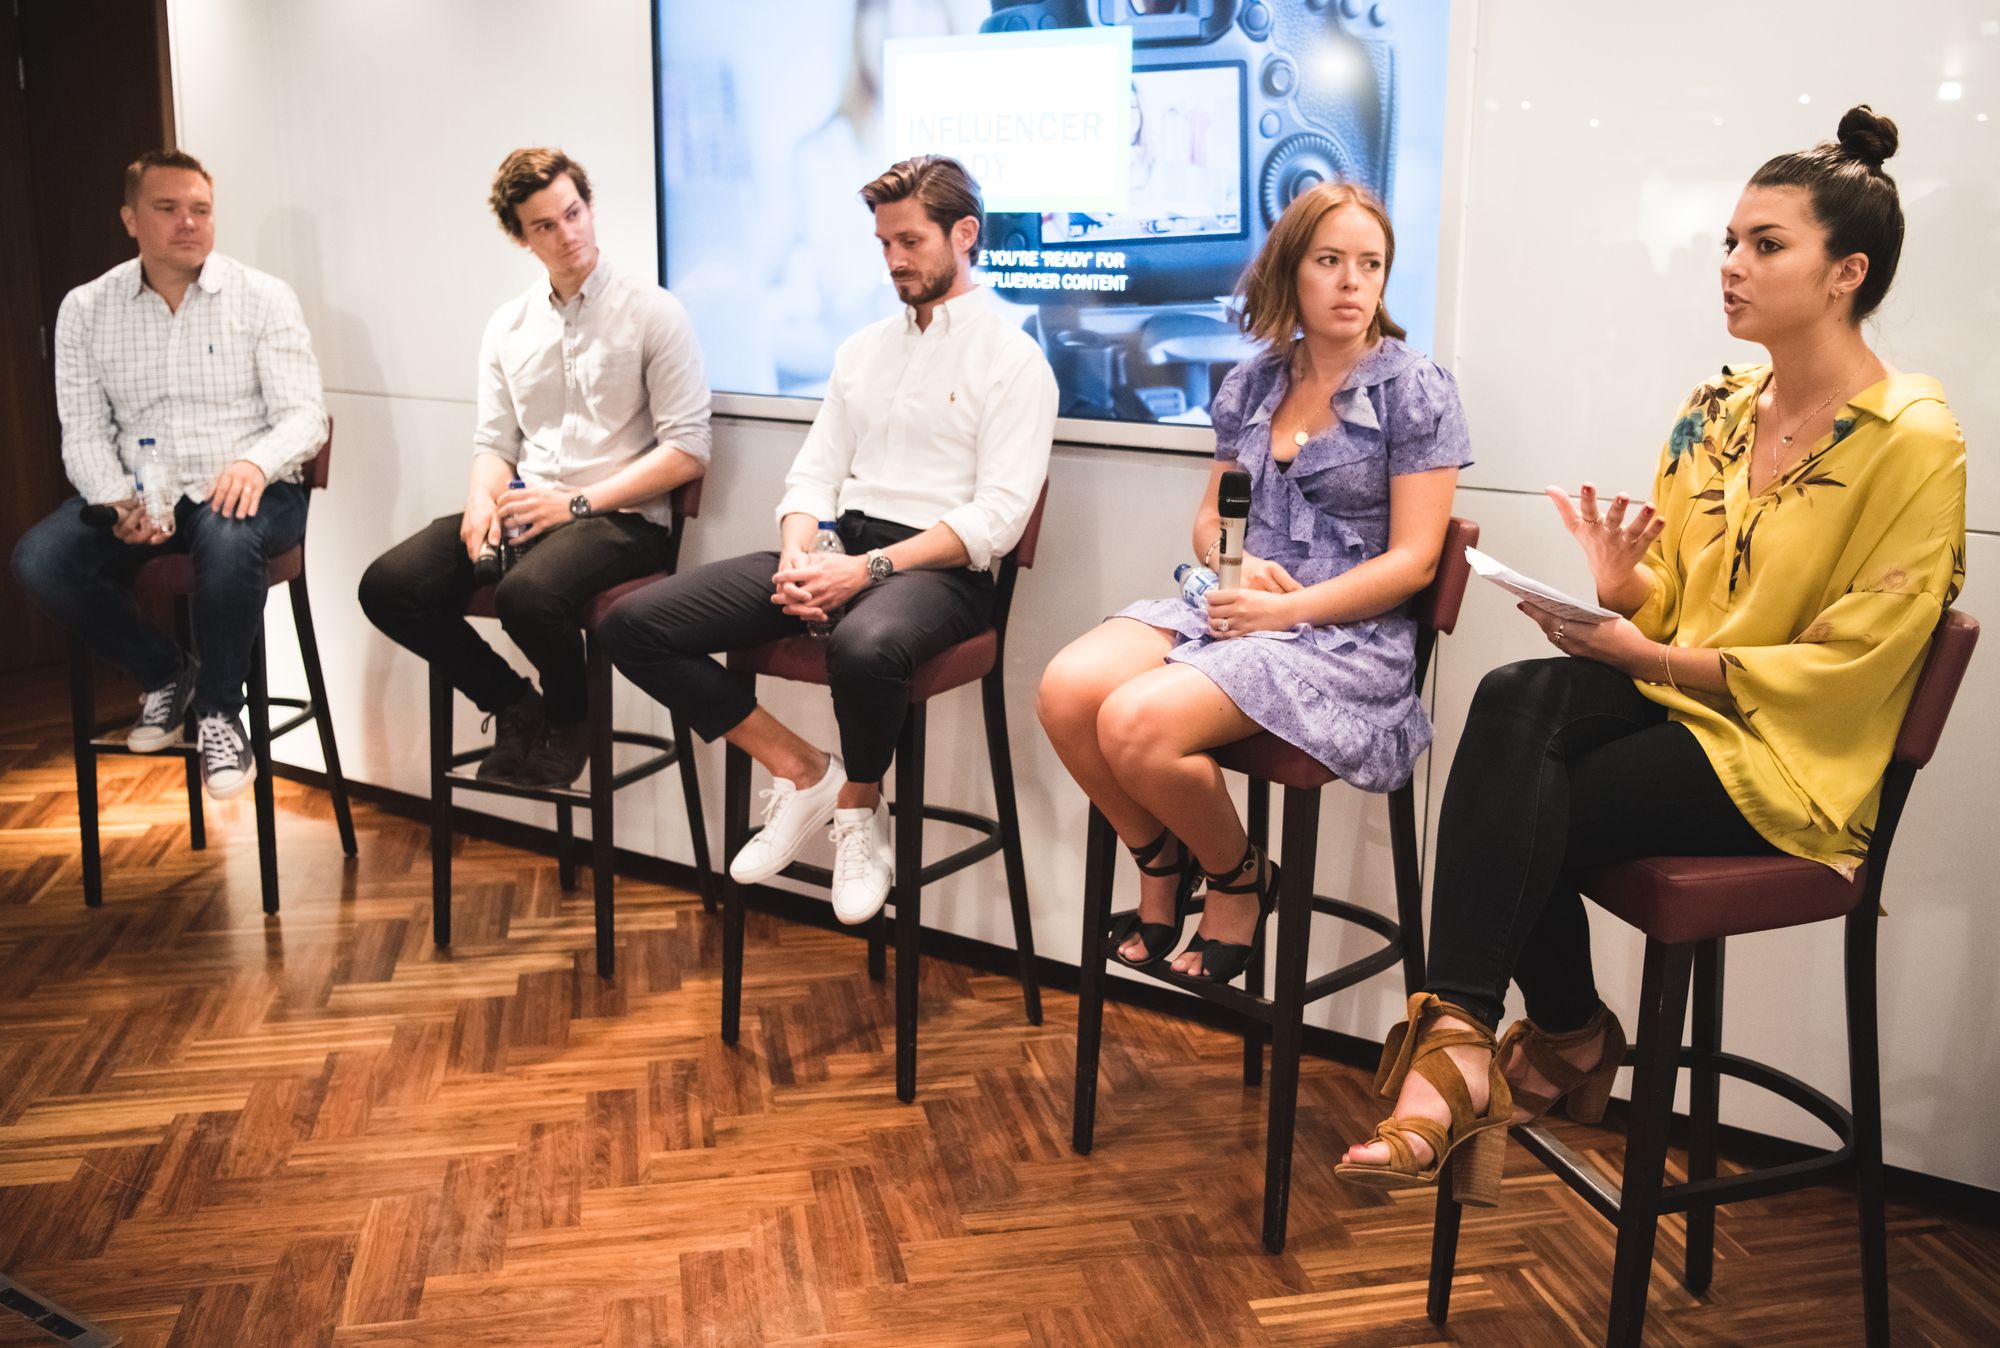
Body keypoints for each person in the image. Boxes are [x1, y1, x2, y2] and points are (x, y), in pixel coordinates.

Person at [1337, 106, 1967, 1208]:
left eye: (1764, 245)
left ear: (1844, 272)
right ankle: (1496, 1042)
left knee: (1522, 794)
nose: (1727, 266)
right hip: (1683, 711)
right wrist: (1624, 590)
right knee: (1513, 698)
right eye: (1727, 240)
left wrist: (1647, 653)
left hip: (1788, 764)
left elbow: (1859, 662)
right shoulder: (1712, 409)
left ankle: (1528, 1045)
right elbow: (1676, 604)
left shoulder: (1912, 436)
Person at [601, 155, 1057, 925]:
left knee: (866, 647)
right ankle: (801, 769)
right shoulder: (863, 349)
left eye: (910, 242)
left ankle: (857, 808)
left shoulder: (1014, 357)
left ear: (965, 234)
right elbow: (812, 476)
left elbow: (996, 521)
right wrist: (796, 553)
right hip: (842, 550)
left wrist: (863, 572)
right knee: (633, 625)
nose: (894, 261)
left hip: (941, 571)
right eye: (884, 245)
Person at [1035, 181, 1469, 985]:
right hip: (1241, 607)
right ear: (1289, 274)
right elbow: (1209, 521)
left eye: (1370, 264)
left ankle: (1237, 878)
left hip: (1348, 635)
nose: (1353, 283)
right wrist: (1230, 561)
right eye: (1330, 261)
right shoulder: (1255, 382)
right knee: (1067, 691)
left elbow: (1413, 563)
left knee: (1135, 723)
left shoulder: (1416, 389)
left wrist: (1289, 607)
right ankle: (1160, 856)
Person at [357, 148, 711, 788]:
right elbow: (496, 442)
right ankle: (514, 704)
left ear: (590, 207)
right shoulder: (509, 325)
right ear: (520, 236)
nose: (567, 233)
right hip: (529, 513)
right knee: (388, 586)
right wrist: (479, 504)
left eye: (573, 213)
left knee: (526, 596)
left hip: (620, 520)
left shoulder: (653, 312)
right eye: (544, 225)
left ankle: (572, 722)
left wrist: (576, 504)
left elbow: (687, 449)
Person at [11, 149, 328, 800]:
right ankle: (162, 672)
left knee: (229, 532)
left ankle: (219, 712)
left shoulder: (262, 297)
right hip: (142, 490)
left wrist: (254, 462)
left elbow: (305, 417)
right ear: (130, 219)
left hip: (249, 488)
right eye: (168, 209)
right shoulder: (87, 308)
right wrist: (112, 498)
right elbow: (83, 429)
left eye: (201, 209)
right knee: (39, 558)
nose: (189, 222)